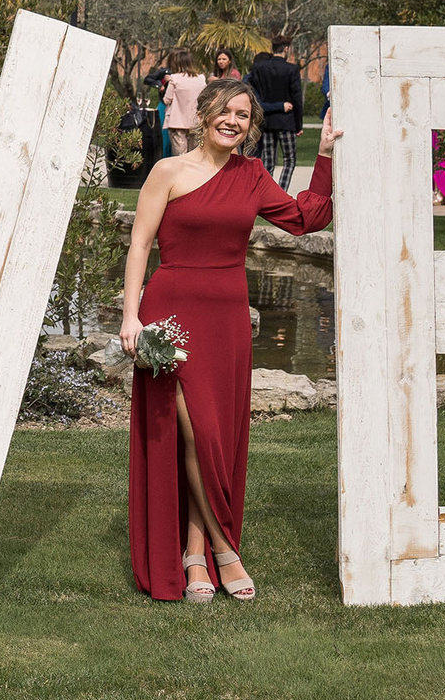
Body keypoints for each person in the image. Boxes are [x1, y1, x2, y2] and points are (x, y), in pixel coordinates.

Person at [118, 80, 338, 604]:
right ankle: (223, 549)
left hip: (227, 318)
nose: (233, 121)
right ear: (205, 114)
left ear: (250, 126)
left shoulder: (253, 176)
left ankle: (195, 550)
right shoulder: (168, 171)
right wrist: (130, 315)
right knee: (191, 431)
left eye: (244, 114)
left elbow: (307, 219)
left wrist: (325, 153)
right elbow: (140, 242)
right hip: (171, 313)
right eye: (225, 110)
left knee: (213, 435)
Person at [248, 35, 304, 188]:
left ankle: (267, 193)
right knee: (289, 160)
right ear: (286, 49)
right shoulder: (291, 69)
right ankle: (281, 191)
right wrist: (299, 125)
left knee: (268, 162)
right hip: (287, 121)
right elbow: (297, 98)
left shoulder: (259, 68)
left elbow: (252, 87)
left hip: (267, 121)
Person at [158, 48, 207, 156]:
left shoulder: (174, 78)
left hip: (177, 122)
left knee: (180, 157)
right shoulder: (201, 78)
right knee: (194, 155)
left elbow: (167, 100)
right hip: (195, 122)